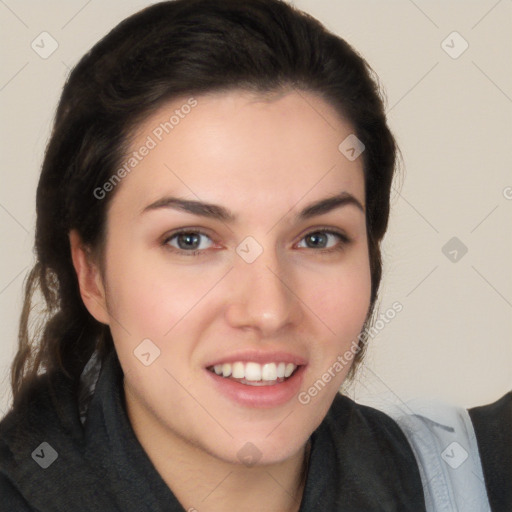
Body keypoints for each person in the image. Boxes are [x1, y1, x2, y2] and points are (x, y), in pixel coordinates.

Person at [0, 0, 510, 510]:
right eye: (190, 240)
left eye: (318, 238)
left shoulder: (480, 478)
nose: (268, 309)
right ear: (92, 275)